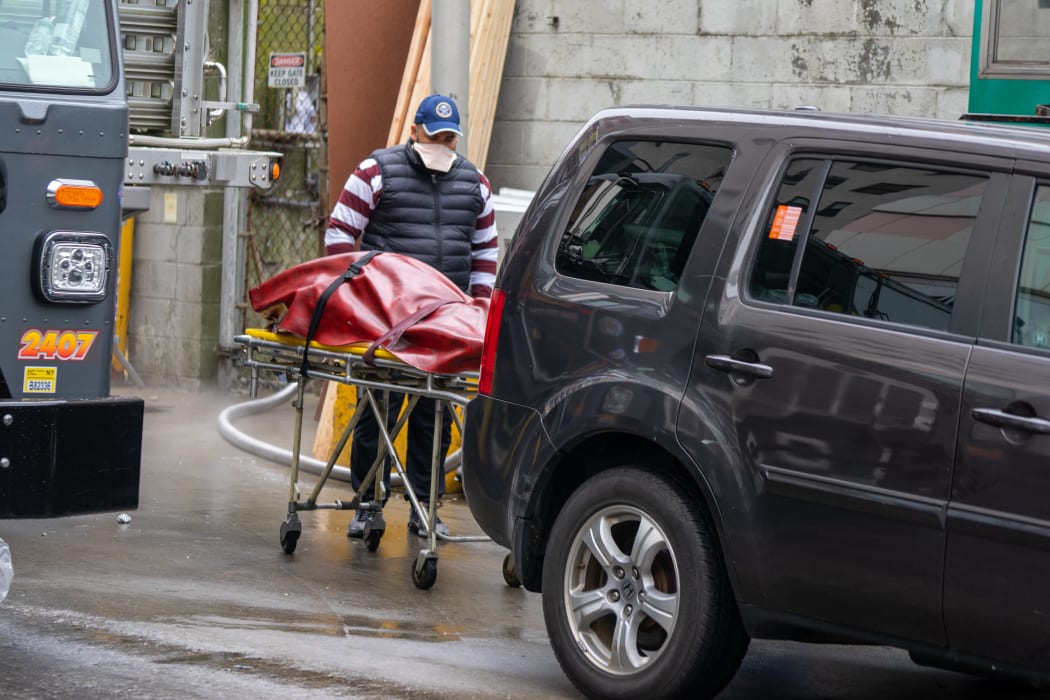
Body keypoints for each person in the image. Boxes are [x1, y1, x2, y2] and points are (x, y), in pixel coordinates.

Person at [324, 94, 498, 538]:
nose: (441, 143)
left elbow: (485, 256)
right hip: (389, 320)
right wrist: (359, 297)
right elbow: (340, 234)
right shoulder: (375, 172)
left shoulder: (474, 184)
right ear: (415, 132)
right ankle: (367, 504)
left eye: (449, 137)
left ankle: (425, 508)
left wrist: (476, 313)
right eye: (434, 135)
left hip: (447, 322)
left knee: (434, 416)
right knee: (377, 409)